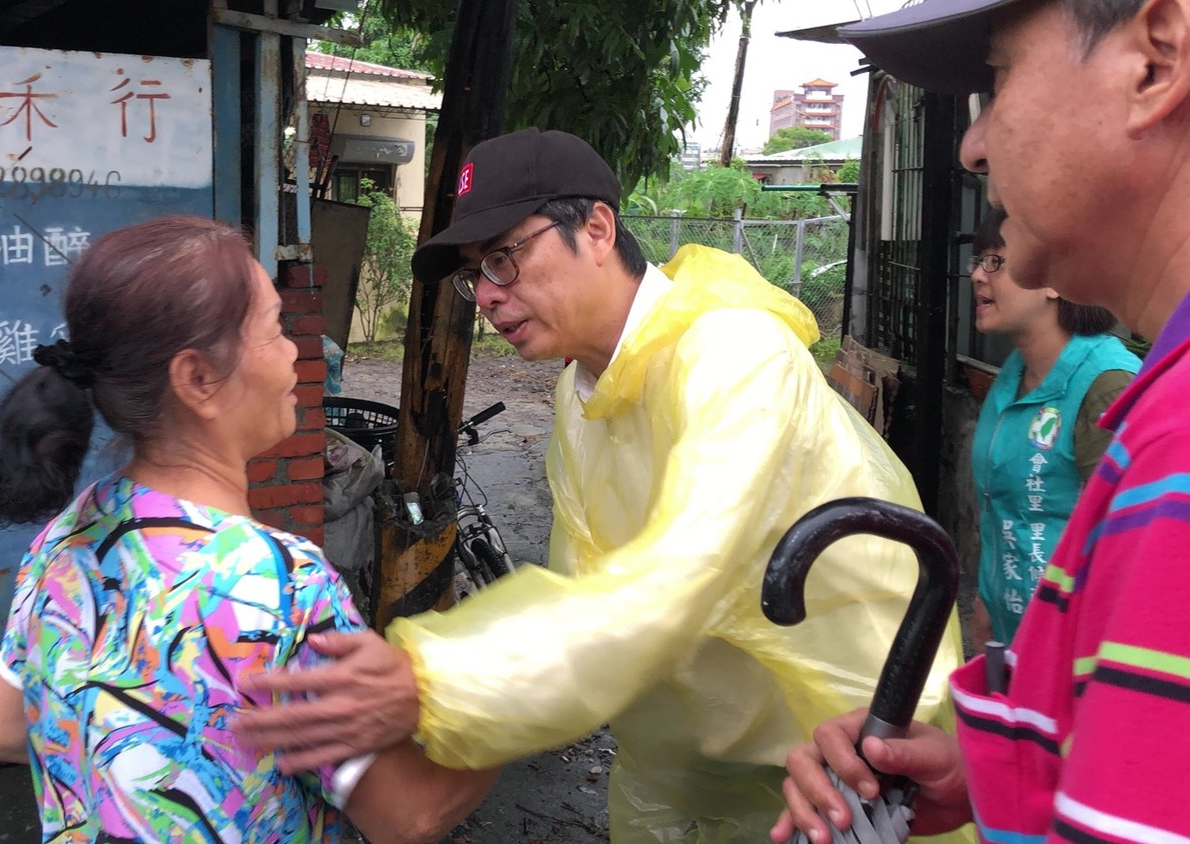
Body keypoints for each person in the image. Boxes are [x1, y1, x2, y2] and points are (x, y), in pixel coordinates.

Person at [233, 128, 967, 843]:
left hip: (845, 779)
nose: (485, 297)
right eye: (472, 275)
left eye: (503, 260)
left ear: (597, 227)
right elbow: (584, 589)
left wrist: (432, 679)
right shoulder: (580, 392)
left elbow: (671, 583)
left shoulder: (733, 358)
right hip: (679, 783)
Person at [775, 1, 1190, 842]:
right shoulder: (1149, 414)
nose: (972, 144)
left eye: (996, 78)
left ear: (1155, 61)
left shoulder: (1166, 442)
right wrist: (993, 767)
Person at [0, 215, 496, 844]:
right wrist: (517, 703)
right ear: (196, 379)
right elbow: (409, 815)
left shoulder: (66, 537)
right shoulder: (280, 584)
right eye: (274, 329)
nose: (298, 351)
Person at [966, 207, 1140, 646]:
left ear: (1054, 280)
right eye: (978, 260)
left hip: (1078, 653)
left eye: (997, 262)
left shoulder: (1106, 386)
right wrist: (988, 601)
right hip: (1012, 641)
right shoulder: (1012, 375)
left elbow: (1133, 550)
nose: (978, 276)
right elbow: (1001, 505)